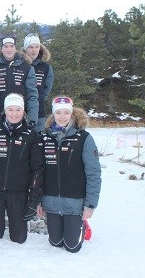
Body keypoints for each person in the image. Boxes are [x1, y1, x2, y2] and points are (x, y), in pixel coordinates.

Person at [37, 96, 102, 253]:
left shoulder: (84, 138)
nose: (62, 116)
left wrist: (90, 205)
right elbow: (38, 171)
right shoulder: (44, 137)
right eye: (58, 113)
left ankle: (82, 225)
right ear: (53, 115)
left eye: (66, 112)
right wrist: (39, 200)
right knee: (55, 242)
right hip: (51, 201)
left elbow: (93, 173)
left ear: (72, 114)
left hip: (75, 202)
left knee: (72, 247)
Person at [0, 93, 44, 244]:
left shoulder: (31, 135)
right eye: (10, 109)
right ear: (5, 111)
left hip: (18, 193)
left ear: (23, 112)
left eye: (18, 110)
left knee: (19, 238)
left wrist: (33, 199)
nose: (14, 114)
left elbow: (38, 168)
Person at [0, 34, 39, 126]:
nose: (9, 49)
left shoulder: (27, 67)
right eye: (6, 46)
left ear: (15, 48)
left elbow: (32, 95)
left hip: (21, 117)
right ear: (1, 49)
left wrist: (32, 118)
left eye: (11, 46)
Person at [21, 33, 54, 132]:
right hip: (19, 111)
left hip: (39, 112)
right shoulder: (19, 64)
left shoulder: (46, 67)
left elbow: (47, 89)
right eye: (30, 47)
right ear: (25, 49)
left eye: (37, 47)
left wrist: (39, 98)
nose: (34, 50)